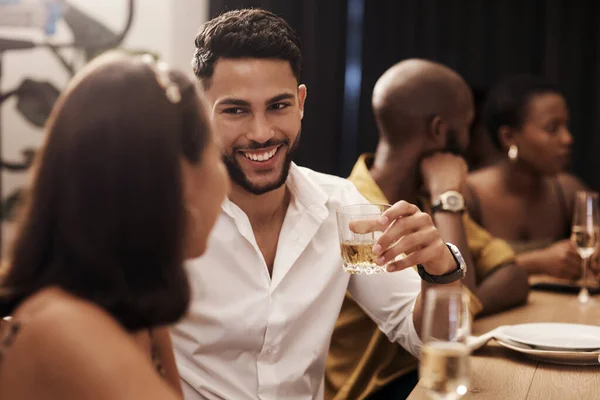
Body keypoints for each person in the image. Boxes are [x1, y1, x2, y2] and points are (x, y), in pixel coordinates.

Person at [171, 9, 470, 400]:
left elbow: (425, 339)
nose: (261, 133)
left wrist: (440, 271)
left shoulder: (341, 204)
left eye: (278, 106)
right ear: (200, 111)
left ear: (300, 103)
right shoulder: (164, 215)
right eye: (235, 110)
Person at [0, 52, 230, 399]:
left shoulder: (117, 312)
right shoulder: (67, 330)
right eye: (215, 155)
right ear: (178, 178)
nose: (224, 181)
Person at [325, 59, 530, 400]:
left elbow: (512, 274)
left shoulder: (423, 200)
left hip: (424, 376)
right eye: (467, 125)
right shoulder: (350, 215)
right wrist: (448, 199)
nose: (470, 139)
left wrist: (459, 297)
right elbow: (456, 310)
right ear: (438, 130)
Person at [466, 75, 588, 280]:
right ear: (509, 137)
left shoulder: (567, 191)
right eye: (552, 128)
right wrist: (538, 262)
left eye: (566, 126)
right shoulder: (469, 194)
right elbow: (460, 274)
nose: (568, 138)